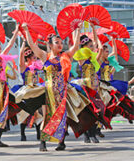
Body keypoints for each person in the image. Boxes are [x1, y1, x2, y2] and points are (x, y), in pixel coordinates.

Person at [26, 22, 97, 151]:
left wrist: (78, 30)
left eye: (61, 42)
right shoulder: (44, 56)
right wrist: (26, 29)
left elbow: (75, 46)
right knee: (47, 117)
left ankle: (61, 142)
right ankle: (43, 142)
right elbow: (32, 45)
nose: (60, 45)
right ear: (50, 45)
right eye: (57, 42)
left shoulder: (65, 56)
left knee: (62, 118)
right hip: (48, 93)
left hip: (62, 92)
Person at [11, 37, 46, 142]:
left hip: (35, 89)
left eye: (36, 58)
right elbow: (21, 56)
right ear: (28, 59)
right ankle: (22, 133)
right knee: (24, 113)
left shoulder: (36, 67)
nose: (36, 60)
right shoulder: (24, 68)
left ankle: (39, 133)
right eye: (34, 58)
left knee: (37, 112)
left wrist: (34, 44)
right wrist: (23, 43)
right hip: (26, 90)